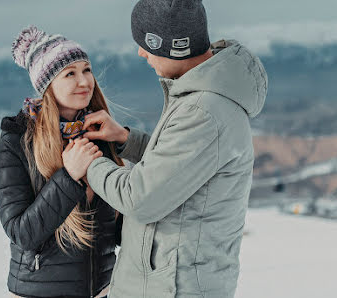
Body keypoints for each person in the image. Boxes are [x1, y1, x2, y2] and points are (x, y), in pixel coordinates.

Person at [78, 0, 268, 297]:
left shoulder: (205, 112)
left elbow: (139, 197)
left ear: (175, 46)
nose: (141, 53)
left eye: (147, 45)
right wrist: (126, 141)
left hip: (173, 287)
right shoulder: (202, 99)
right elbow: (177, 168)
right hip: (166, 282)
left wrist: (88, 163)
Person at [0, 26, 124, 298]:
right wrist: (68, 177)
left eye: (87, 70)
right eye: (70, 73)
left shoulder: (100, 133)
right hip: (38, 292)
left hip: (102, 290)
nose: (85, 81)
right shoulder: (17, 141)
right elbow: (22, 233)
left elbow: (116, 229)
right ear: (48, 85)